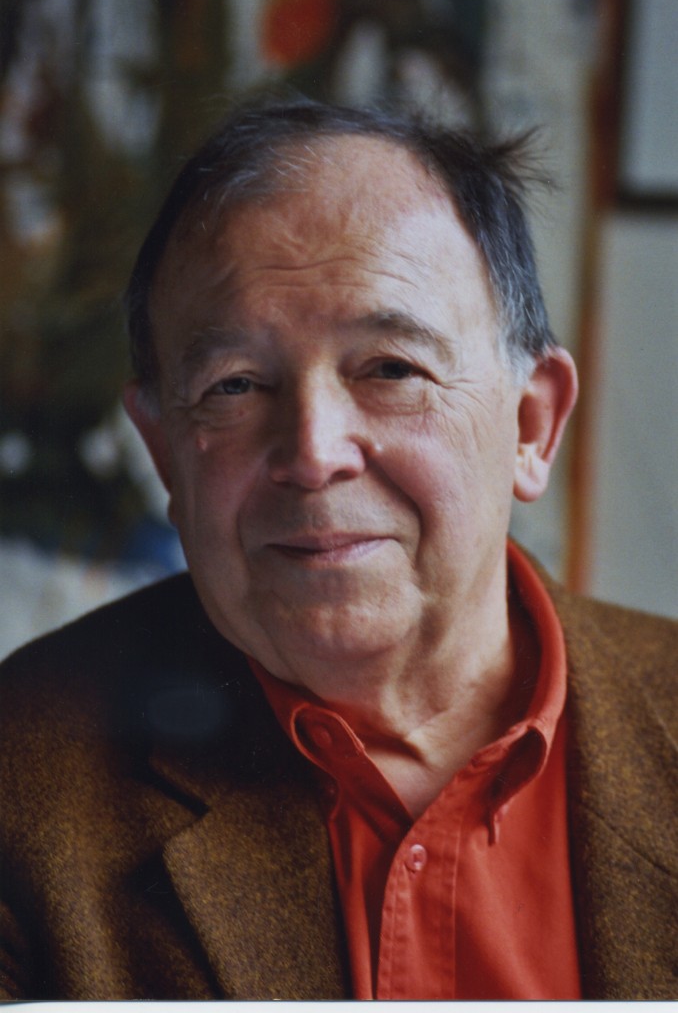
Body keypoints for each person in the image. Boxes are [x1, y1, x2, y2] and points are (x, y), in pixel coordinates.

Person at [0, 99, 676, 1002]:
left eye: (391, 369)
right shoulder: (22, 772)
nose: (314, 454)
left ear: (531, 424)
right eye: (235, 385)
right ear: (163, 451)